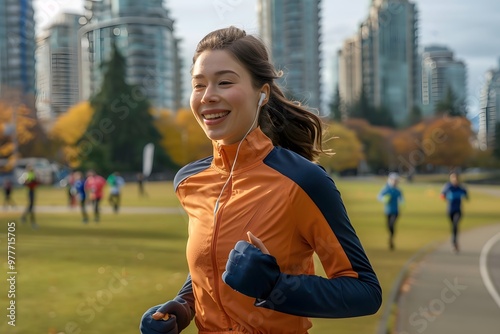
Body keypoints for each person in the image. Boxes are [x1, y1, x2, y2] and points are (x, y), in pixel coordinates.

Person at [140, 26, 381, 334]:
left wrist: (274, 287)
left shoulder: (302, 180)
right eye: (199, 85)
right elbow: (214, 265)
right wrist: (184, 305)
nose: (208, 96)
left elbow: (365, 293)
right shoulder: (189, 182)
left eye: (224, 82)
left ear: (262, 93)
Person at [440, 171, 468, 253]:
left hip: (458, 210)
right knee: (453, 226)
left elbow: (466, 195)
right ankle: (454, 242)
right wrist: (445, 197)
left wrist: (465, 194)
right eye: (453, 177)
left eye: (455, 177)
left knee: (456, 224)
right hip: (450, 210)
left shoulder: (461, 187)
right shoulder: (448, 187)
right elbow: (442, 195)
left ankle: (455, 243)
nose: (454, 179)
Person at [377, 172, 404, 250]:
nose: (395, 182)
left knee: (392, 224)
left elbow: (401, 199)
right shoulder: (386, 189)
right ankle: (390, 236)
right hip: (387, 211)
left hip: (395, 211)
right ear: (390, 180)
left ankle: (391, 239)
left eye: (396, 180)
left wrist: (402, 203)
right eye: (394, 180)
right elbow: (379, 197)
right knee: (389, 226)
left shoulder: (398, 190)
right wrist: (384, 199)